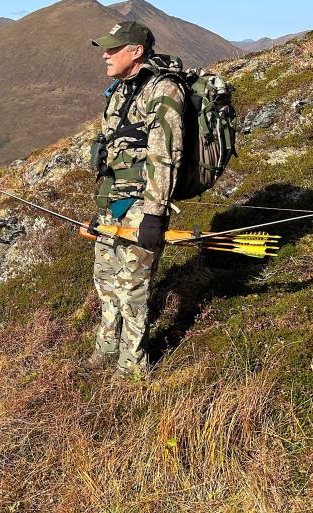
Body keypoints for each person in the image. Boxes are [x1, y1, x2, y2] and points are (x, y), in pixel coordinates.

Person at [86, 21, 185, 375]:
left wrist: (155, 217)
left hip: (143, 206)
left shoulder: (165, 90)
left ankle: (133, 370)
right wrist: (100, 209)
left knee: (133, 290)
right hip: (112, 205)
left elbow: (165, 155)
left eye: (114, 49)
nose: (105, 55)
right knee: (105, 280)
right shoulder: (118, 91)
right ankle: (106, 349)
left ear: (136, 51)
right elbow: (112, 154)